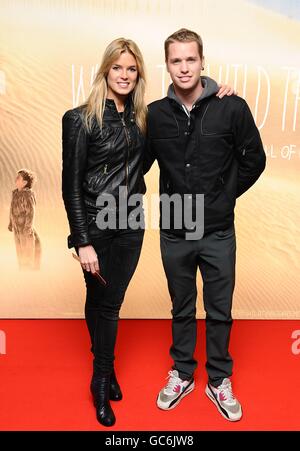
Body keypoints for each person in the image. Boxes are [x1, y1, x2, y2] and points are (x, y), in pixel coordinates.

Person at [62, 37, 234, 427]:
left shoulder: (145, 119)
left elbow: (185, 131)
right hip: (97, 223)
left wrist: (221, 92)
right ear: (105, 70)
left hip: (131, 224)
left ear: (139, 73)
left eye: (131, 68)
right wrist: (82, 239)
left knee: (108, 299)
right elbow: (70, 185)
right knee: (104, 303)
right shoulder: (78, 118)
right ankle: (102, 379)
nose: (124, 75)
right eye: (117, 67)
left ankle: (103, 367)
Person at [144, 29, 266, 422]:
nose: (183, 67)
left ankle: (219, 379)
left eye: (190, 59)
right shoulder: (155, 114)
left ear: (202, 62)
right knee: (181, 307)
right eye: (176, 60)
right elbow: (140, 164)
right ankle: (182, 373)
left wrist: (224, 196)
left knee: (219, 309)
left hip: (217, 231)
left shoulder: (231, 107)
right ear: (168, 64)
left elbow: (255, 160)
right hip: (175, 230)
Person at [8, 169, 41, 270]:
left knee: (27, 256)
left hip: (26, 232)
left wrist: (28, 228)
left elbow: (31, 212)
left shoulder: (27, 195)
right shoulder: (15, 194)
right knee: (20, 255)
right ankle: (23, 275)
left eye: (18, 178)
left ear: (25, 182)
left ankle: (30, 277)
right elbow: (12, 209)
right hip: (17, 230)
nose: (15, 179)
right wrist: (10, 223)